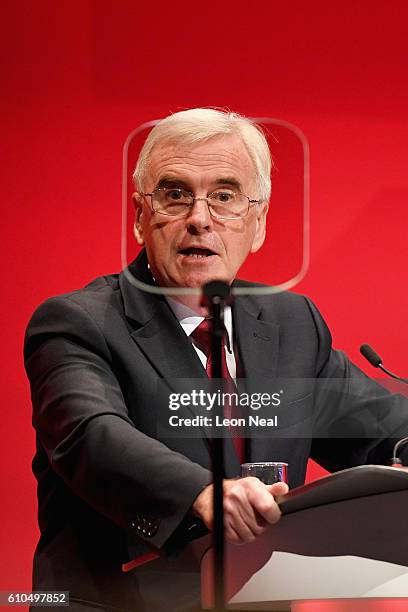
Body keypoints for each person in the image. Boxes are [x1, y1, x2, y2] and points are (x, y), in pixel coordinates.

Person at [24, 108, 408, 612]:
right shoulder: (77, 322)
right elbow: (90, 437)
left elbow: (380, 432)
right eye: (175, 194)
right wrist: (201, 493)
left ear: (259, 223)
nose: (200, 218)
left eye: (225, 196)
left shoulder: (292, 323)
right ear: (140, 218)